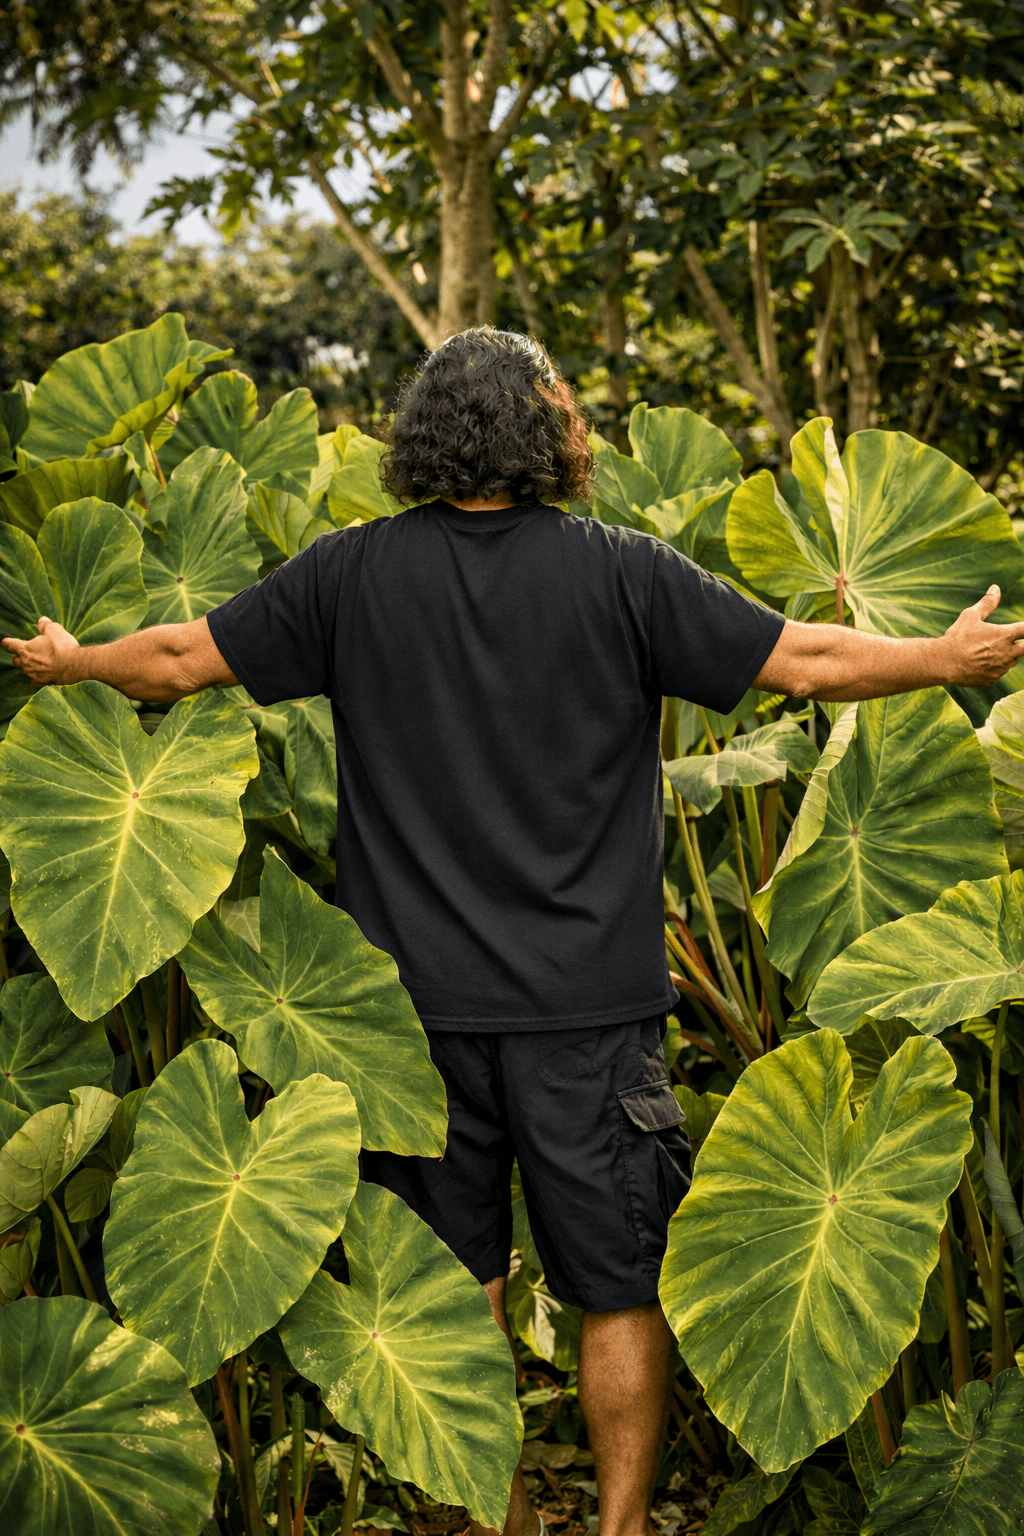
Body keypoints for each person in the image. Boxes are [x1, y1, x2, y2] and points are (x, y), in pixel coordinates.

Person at [6, 328, 1024, 1536]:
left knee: (451, 1289)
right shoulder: (621, 571)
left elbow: (177, 658)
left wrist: (74, 665)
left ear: (426, 432)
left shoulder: (350, 573)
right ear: (544, 429)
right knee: (615, 1286)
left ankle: (490, 1520)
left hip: (407, 1014)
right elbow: (800, 663)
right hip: (587, 1007)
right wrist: (943, 655)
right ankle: (622, 1527)